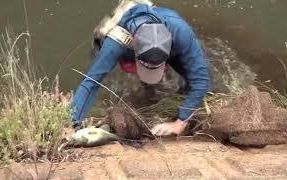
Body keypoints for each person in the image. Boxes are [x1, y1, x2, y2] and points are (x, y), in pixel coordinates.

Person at [71, 0, 210, 136]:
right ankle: (148, 90)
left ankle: (160, 93)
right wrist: (72, 124)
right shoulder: (117, 42)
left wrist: (180, 122)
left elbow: (202, 80)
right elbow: (91, 82)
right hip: (128, 44)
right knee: (101, 63)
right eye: (147, 68)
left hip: (167, 38)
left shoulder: (180, 32)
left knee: (196, 83)